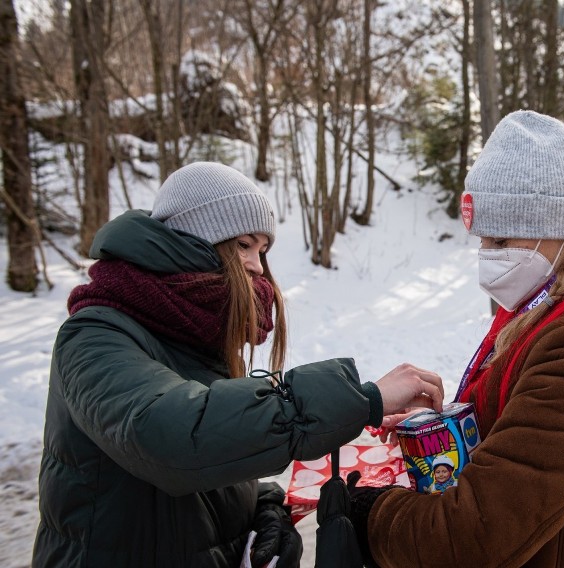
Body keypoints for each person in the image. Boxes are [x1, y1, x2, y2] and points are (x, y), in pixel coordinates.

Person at [32, 161, 444, 567]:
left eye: (262, 250)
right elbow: (172, 434)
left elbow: (220, 443)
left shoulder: (191, 331)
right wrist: (361, 399)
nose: (258, 267)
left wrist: (263, 508)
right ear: (193, 239)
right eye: (244, 245)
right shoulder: (95, 334)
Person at [345, 110, 564, 568]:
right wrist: (439, 431)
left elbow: (471, 539)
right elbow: (523, 444)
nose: (488, 258)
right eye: (483, 242)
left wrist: (371, 513)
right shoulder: (549, 306)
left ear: (560, 230)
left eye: (501, 241)